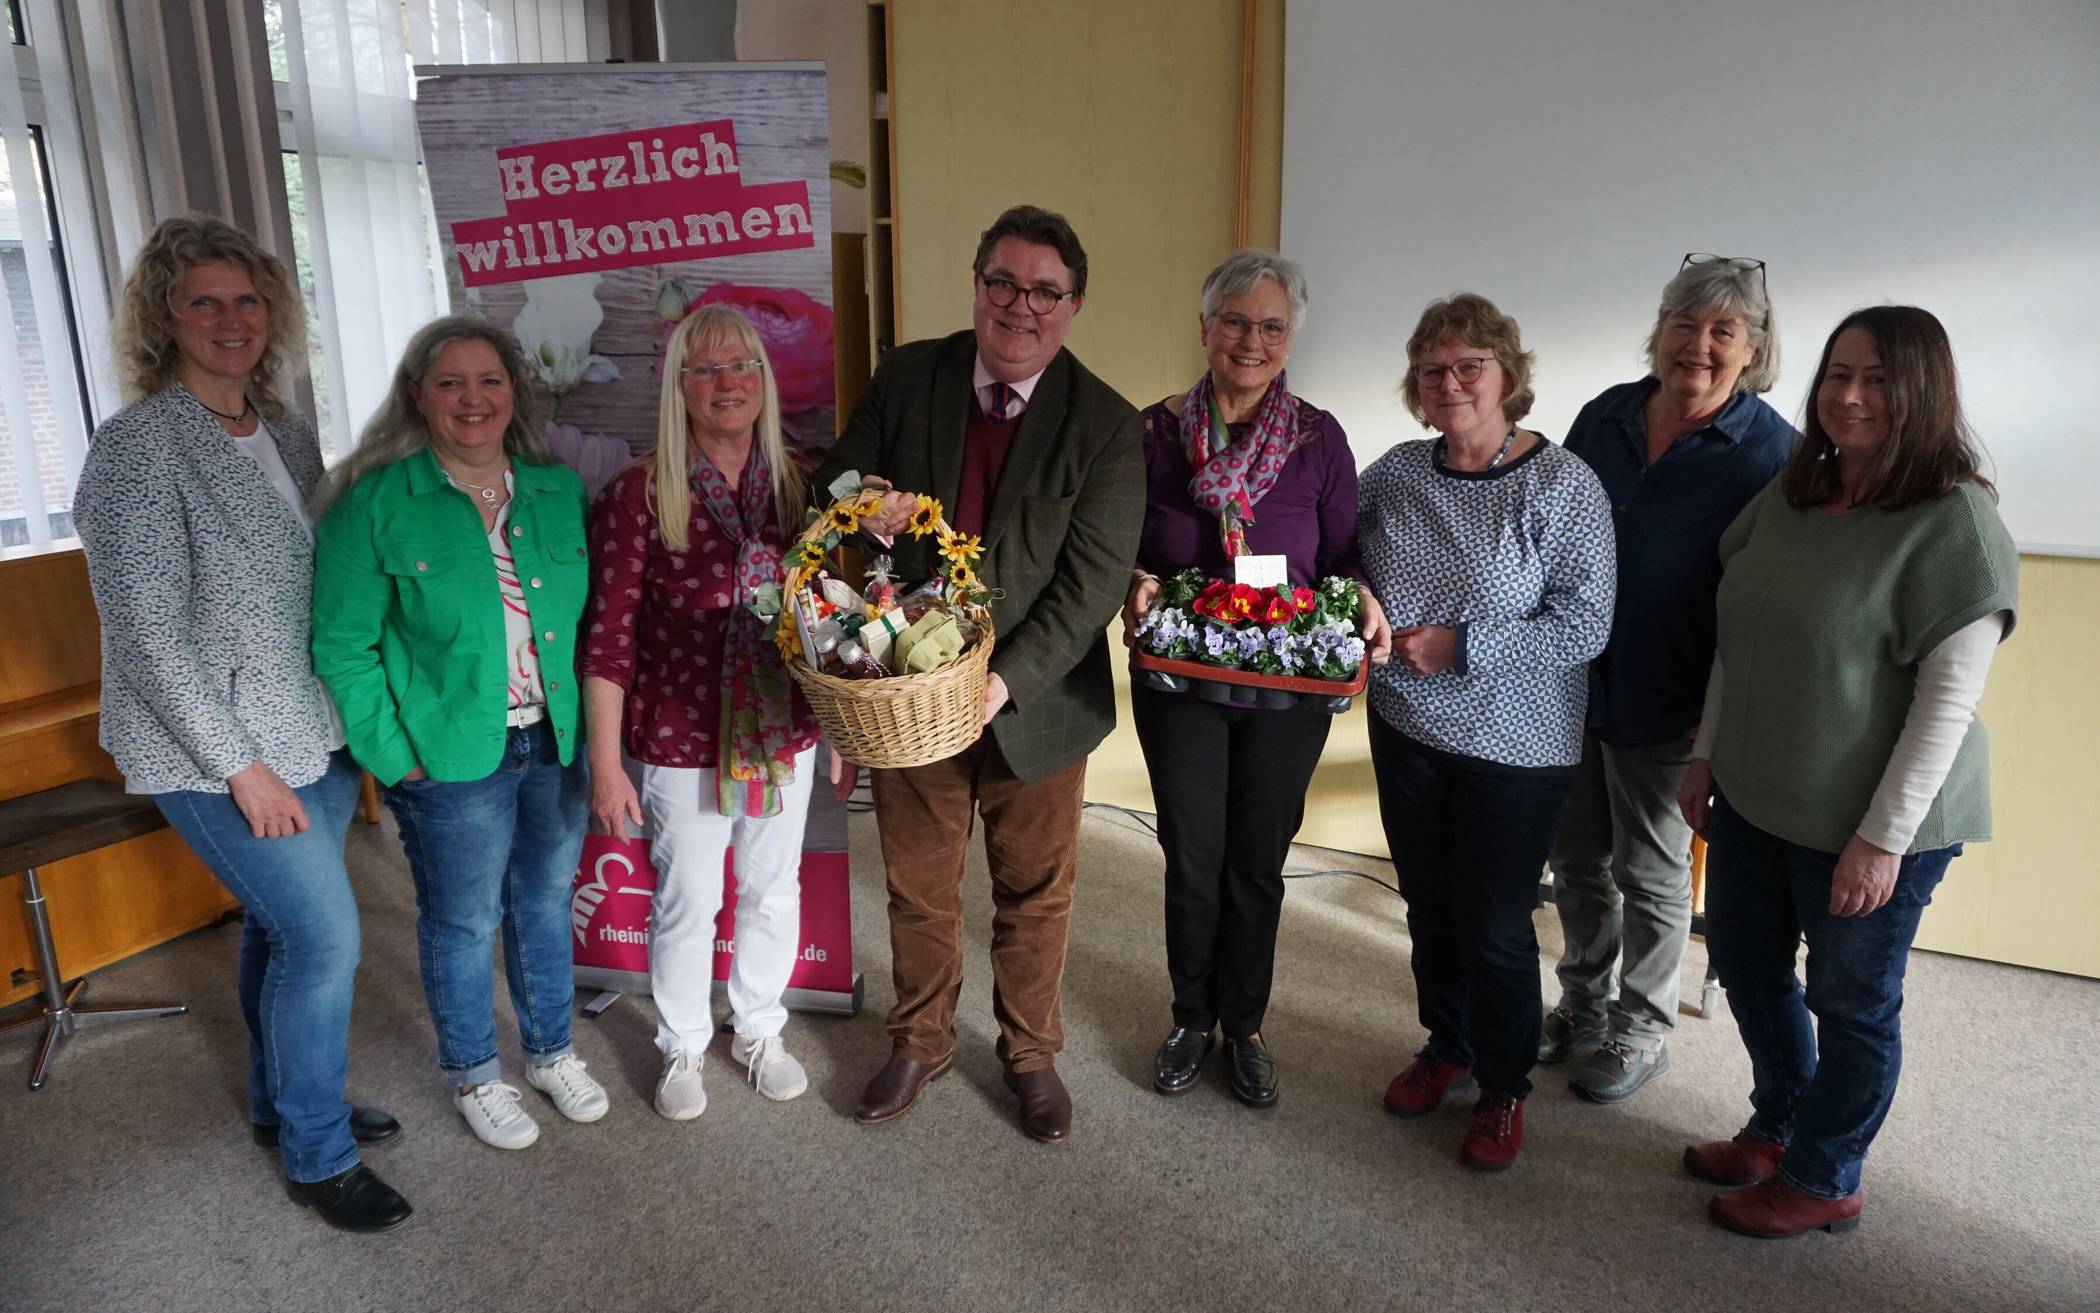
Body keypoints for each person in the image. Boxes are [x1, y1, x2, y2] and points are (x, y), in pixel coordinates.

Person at [72, 216, 410, 1232]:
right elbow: (144, 634)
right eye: (205, 302)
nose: (231, 320)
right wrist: (243, 769)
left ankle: (278, 1102)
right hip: (211, 747)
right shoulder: (137, 446)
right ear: (164, 319)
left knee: (282, 928)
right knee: (326, 938)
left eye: (248, 301)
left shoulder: (284, 428)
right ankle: (317, 1153)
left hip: (307, 725)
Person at [1678, 306, 2017, 1239]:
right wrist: (1707, 751)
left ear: (1924, 392)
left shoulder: (1955, 521)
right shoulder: (1792, 495)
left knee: (1852, 1000)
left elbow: (1946, 704)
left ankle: (1827, 1173)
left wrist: (1880, 842)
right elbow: (1735, 637)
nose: (1852, 396)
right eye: (1837, 374)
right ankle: (1781, 1125)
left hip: (1876, 818)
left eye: (1876, 378)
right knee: (1747, 965)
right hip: (1759, 789)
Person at [816, 204, 1144, 1143]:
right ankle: (919, 1039)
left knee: (1034, 893)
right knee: (919, 884)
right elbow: (833, 483)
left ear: (1072, 306)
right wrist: (865, 508)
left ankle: (1031, 1052)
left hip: (1035, 706)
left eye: (1045, 291)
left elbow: (1088, 587)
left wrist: (995, 685)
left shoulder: (1109, 425)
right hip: (909, 699)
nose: (1020, 306)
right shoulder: (910, 374)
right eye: (1003, 282)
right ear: (976, 283)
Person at [311, 316, 606, 1150]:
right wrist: (393, 756)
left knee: (545, 903)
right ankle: (476, 1071)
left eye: (490, 382)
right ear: (418, 397)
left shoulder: (556, 491)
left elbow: (589, 629)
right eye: (450, 384)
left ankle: (550, 1051)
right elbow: (341, 643)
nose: (472, 401)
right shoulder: (373, 501)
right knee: (465, 920)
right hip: (448, 757)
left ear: (515, 393)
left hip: (554, 741)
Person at [1121, 249, 1390, 1108]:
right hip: (1182, 680)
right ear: (1204, 328)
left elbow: (1342, 557)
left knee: (1258, 863)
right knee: (1193, 857)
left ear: (1290, 339)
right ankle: (1191, 1015)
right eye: (1235, 321)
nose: (1251, 340)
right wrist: (1132, 581)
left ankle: (1246, 1023)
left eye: (1271, 326)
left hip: (1285, 684)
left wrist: (1365, 600)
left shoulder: (1320, 438)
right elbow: (1118, 546)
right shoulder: (1153, 434)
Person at [1357, 292, 1615, 1171]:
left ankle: (1505, 1085)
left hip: (1519, 744)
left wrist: (1462, 645)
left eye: (1471, 365)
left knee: (1499, 924)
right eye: (1433, 370)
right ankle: (1450, 1045)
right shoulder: (1394, 472)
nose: (1451, 382)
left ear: (1509, 376)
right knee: (1430, 906)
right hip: (1407, 725)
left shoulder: (1563, 482)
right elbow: (1339, 558)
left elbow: (1587, 624)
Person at [581, 304, 855, 1120]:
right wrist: (604, 764)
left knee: (772, 888)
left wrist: (841, 727)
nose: (726, 384)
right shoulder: (639, 489)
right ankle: (682, 1045)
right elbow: (607, 636)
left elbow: (828, 614)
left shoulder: (802, 481)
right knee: (690, 898)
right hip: (680, 732)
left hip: (782, 727)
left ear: (765, 383)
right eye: (705, 370)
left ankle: (760, 1028)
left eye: (741, 367)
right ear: (680, 386)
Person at [1543, 255, 1794, 1103]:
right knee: (1575, 858)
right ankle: (1582, 1004)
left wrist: (1717, 728)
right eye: (1685, 324)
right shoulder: (1605, 414)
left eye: (1724, 330)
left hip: (1674, 699)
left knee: (1650, 871)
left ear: (1753, 347)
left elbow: (1769, 599)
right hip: (1570, 682)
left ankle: (1643, 1028)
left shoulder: (1772, 452)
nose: (1700, 344)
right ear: (1660, 330)